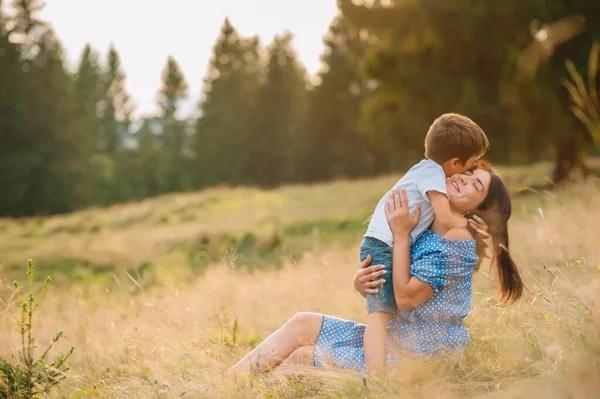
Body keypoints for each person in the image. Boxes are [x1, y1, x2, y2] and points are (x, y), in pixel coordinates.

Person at [227, 162, 524, 376]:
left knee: (299, 360)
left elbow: (407, 298)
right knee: (302, 322)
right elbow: (397, 290)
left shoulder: (457, 238)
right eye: (469, 172)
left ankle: (248, 387)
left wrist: (400, 235)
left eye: (476, 185)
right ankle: (228, 385)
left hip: (418, 356)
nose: (463, 179)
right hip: (396, 336)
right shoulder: (429, 219)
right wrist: (364, 284)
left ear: (477, 208)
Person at [361, 113, 489, 374]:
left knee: (382, 313)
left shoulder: (426, 171)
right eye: (471, 164)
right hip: (383, 245)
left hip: (381, 243)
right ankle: (375, 378)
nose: (470, 171)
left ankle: (376, 372)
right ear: (455, 162)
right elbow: (444, 216)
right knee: (379, 317)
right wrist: (469, 227)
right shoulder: (432, 175)